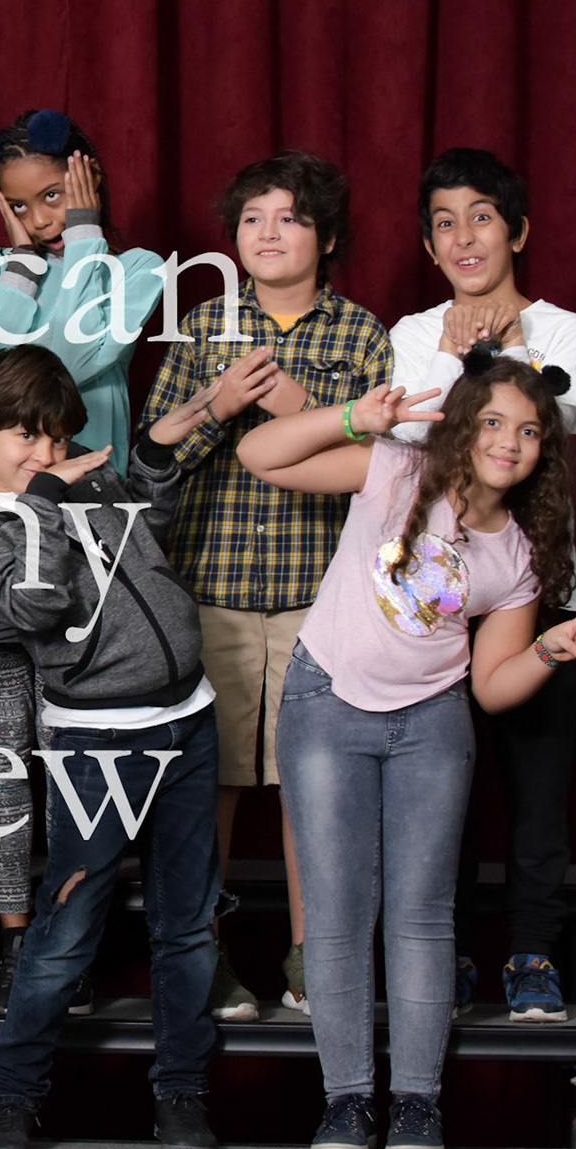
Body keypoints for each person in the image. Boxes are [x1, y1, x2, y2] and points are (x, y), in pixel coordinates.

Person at [238, 359, 576, 1149]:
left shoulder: (520, 553)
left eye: (529, 431)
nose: (509, 441)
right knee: (337, 915)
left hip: (433, 722)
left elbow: (493, 686)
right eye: (494, 422)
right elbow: (260, 454)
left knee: (420, 916)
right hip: (327, 702)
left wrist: (549, 651)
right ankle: (345, 1103)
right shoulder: (398, 471)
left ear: (543, 450)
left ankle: (416, 1104)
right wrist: (354, 418)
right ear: (463, 425)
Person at [0, 346, 224, 1149]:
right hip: (98, 739)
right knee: (66, 931)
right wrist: (43, 501)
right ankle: (9, 1100)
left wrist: (156, 454)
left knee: (188, 926)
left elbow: (148, 537)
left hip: (189, 718)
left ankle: (181, 1093)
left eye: (58, 437)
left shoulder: (81, 480)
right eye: (26, 436)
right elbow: (35, 605)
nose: (48, 452)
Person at [139, 150, 392, 1022]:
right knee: (202, 787)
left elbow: (390, 467)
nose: (269, 232)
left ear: (328, 238)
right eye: (252, 218)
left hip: (320, 599)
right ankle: (199, 955)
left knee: (312, 790)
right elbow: (152, 460)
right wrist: (215, 407)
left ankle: (315, 957)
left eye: (290, 217)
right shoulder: (204, 326)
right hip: (208, 592)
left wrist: (296, 409)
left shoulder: (361, 336)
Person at [388, 147, 576, 1021]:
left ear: (517, 230)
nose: (464, 237)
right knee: (445, 796)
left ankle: (532, 953)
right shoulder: (412, 335)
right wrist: (463, 359)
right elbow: (416, 436)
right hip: (436, 599)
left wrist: (483, 356)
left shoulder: (565, 330)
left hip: (540, 588)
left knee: (537, 790)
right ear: (428, 245)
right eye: (444, 223)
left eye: (481, 216)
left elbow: (550, 417)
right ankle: (447, 953)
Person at [0, 109, 166, 475]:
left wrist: (84, 237)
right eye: (19, 206)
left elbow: (72, 363)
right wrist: (22, 267)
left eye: (51, 195)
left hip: (82, 477)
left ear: (91, 177)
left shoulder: (138, 269)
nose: (39, 220)